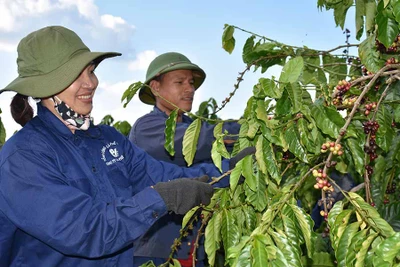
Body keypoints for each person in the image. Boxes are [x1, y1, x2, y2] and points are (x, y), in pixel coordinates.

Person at [0, 26, 245, 266]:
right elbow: (87, 230)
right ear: (43, 86)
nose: (91, 83)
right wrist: (162, 198)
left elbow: (168, 176)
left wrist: (234, 169)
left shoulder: (108, 140)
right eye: (76, 75)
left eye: (91, 71)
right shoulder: (23, 157)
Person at [129, 52, 248, 266]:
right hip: (158, 248)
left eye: (191, 83)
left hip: (194, 246)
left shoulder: (193, 126)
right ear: (155, 87)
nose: (189, 89)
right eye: (179, 82)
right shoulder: (148, 128)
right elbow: (201, 143)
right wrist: (245, 130)